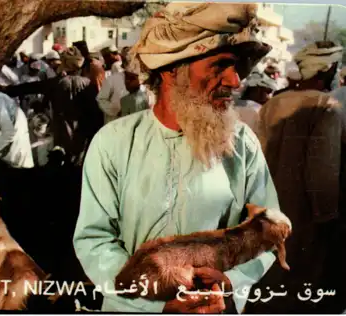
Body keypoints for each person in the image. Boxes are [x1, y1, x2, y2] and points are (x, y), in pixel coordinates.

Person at [73, 3, 282, 313]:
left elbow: (268, 231)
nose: (234, 81)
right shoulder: (113, 142)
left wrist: (229, 282)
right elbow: (94, 240)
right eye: (221, 65)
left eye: (237, 67)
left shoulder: (243, 143)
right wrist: (156, 302)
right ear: (172, 69)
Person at [251, 41, 346, 313]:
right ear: (327, 70)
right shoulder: (326, 106)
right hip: (303, 218)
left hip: (266, 212)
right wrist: (327, 218)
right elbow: (323, 172)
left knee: (268, 282)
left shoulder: (273, 104)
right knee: (299, 287)